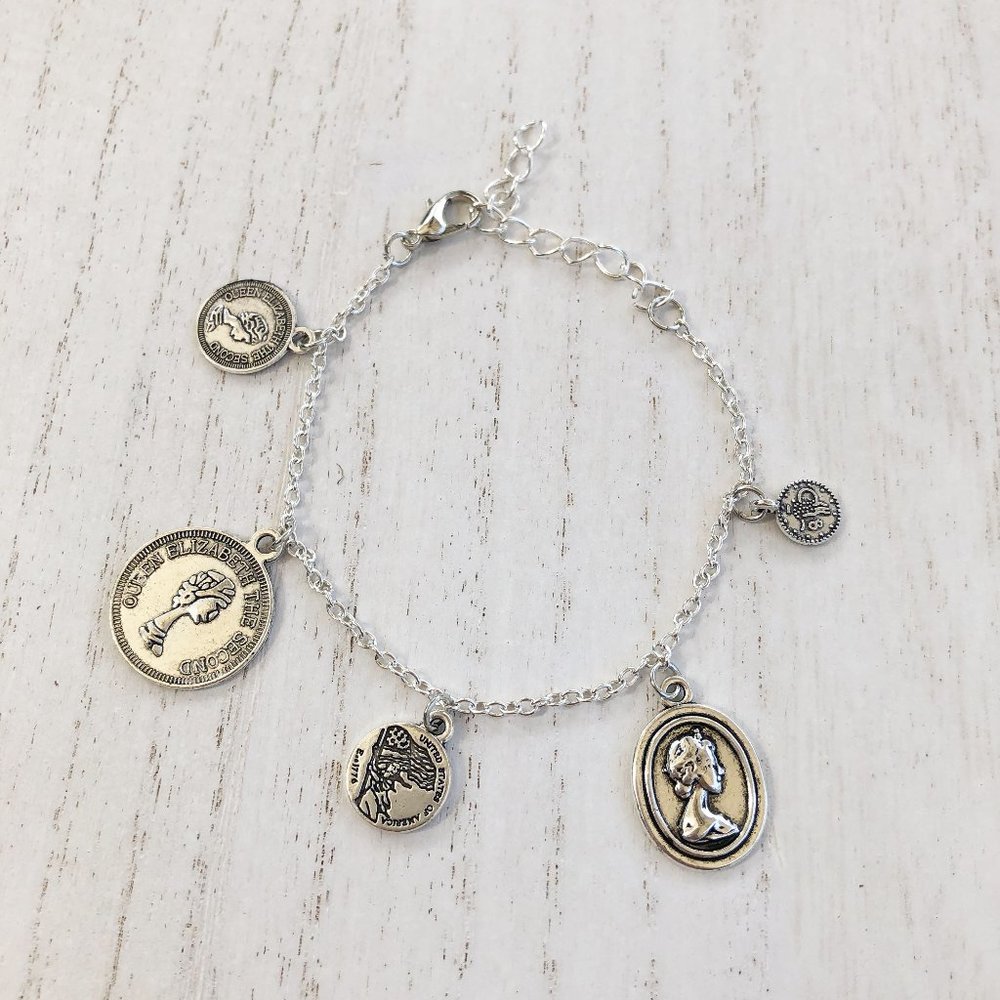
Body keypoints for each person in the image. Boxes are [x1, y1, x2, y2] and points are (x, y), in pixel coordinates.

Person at [665, 728, 740, 843]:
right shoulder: (723, 828)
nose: (721, 771)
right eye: (713, 766)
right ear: (695, 771)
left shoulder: (691, 827)